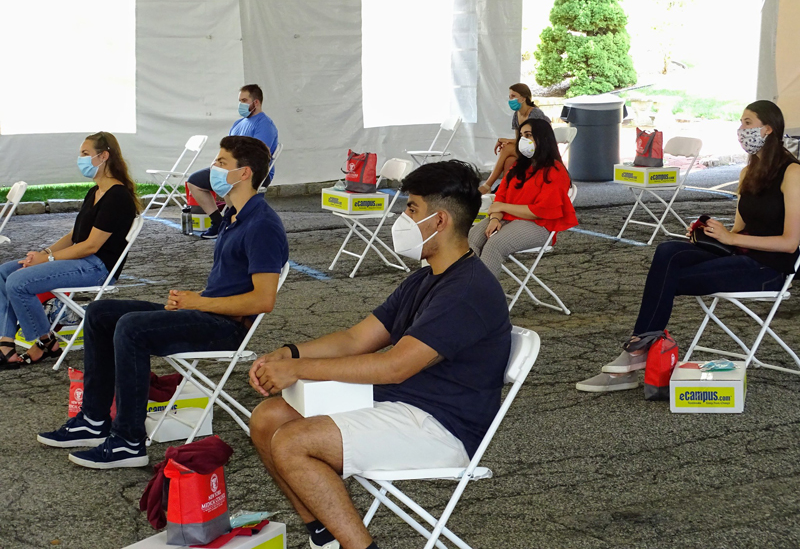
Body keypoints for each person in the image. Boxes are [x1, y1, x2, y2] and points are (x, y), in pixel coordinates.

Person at [247, 160, 511, 549]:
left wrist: (300, 368)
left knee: (292, 442)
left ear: (439, 221)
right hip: (403, 405)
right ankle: (326, 532)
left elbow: (395, 366)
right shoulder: (426, 278)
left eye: (411, 209)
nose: (402, 219)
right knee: (268, 418)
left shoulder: (467, 290)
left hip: (443, 426)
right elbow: (357, 339)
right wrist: (288, 354)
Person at [38, 135, 289, 468]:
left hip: (226, 327)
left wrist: (196, 304)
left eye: (221, 163)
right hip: (208, 312)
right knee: (100, 312)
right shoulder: (233, 215)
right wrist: (194, 301)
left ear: (244, 174)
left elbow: (263, 299)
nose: (212, 168)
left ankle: (128, 442)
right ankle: (94, 420)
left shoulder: (262, 225)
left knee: (130, 328)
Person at [577, 100, 800, 393]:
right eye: (741, 123)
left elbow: (790, 243)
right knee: (669, 251)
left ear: (768, 128)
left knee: (668, 280)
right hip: (741, 253)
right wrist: (708, 233)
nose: (740, 130)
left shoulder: (792, 173)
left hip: (769, 268)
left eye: (748, 123)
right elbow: (738, 229)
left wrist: (732, 239)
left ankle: (634, 355)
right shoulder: (749, 172)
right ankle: (638, 352)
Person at [0, 132, 138, 369]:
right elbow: (75, 237)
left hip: (97, 267)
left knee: (17, 283)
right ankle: (6, 342)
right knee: (4, 272)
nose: (80, 159)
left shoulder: (117, 196)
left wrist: (48, 258)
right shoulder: (95, 191)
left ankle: (45, 341)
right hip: (82, 259)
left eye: (85, 154)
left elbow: (91, 245)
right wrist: (42, 253)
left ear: (104, 156)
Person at [469, 118, 577, 279]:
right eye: (521, 135)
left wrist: (502, 208)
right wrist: (494, 219)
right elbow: (500, 197)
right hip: (506, 218)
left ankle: (481, 295)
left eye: (528, 135)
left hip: (539, 225)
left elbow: (540, 211)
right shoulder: (518, 166)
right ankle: (467, 286)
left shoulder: (555, 170)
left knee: (494, 245)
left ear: (543, 138)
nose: (523, 140)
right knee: (470, 240)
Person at [186, 84, 279, 240]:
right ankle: (219, 222)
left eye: (244, 100)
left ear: (256, 102)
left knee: (230, 184)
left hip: (253, 173)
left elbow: (259, 156)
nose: (240, 105)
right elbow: (226, 149)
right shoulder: (238, 124)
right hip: (231, 169)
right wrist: (216, 163)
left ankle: (236, 223)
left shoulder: (264, 125)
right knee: (194, 181)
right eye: (239, 101)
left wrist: (230, 169)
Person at [479, 83, 551, 194]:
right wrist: (504, 140)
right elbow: (520, 139)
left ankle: (487, 185)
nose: (510, 99)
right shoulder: (516, 114)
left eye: (513, 96)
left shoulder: (535, 113)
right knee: (509, 160)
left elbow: (538, 138)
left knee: (506, 148)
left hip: (539, 150)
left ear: (523, 98)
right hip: (526, 148)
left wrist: (504, 141)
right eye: (509, 96)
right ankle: (507, 190)